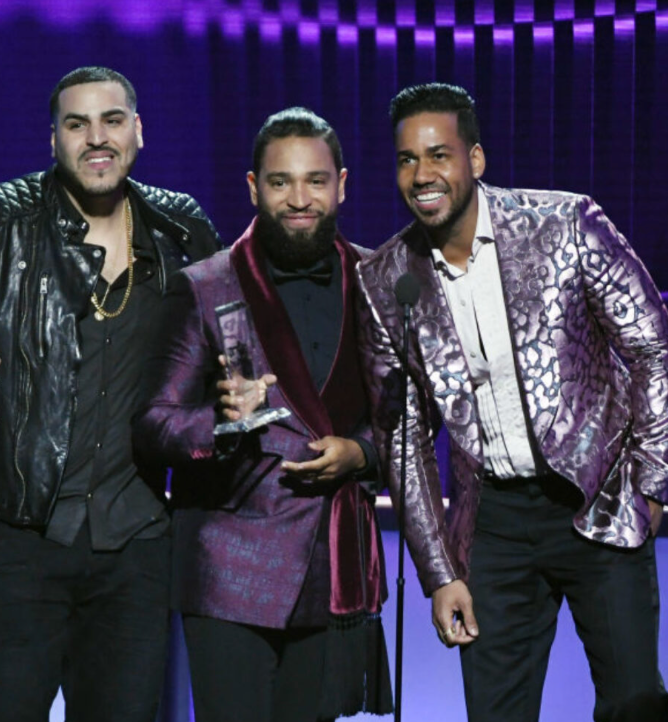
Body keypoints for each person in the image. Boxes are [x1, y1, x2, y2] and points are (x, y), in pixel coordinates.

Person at [0, 66, 219, 722]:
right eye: (77, 124)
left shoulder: (181, 227)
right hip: (21, 539)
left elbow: (221, 347)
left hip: (137, 543)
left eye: (111, 121)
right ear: (54, 139)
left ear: (138, 130)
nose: (96, 138)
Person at [356, 82, 668, 721]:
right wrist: (440, 573)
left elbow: (652, 347)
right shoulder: (387, 278)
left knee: (634, 703)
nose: (422, 175)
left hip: (598, 497)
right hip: (492, 523)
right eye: (407, 160)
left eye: (439, 155)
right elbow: (403, 436)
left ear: (475, 158)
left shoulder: (565, 225)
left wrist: (653, 482)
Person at [134, 107, 392, 722]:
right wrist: (223, 423)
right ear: (254, 188)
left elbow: (410, 414)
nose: (299, 199)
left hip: (333, 564)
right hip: (231, 569)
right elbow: (153, 422)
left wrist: (362, 452)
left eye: (315, 181)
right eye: (281, 182)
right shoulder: (206, 285)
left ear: (342, 184)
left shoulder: (381, 281)